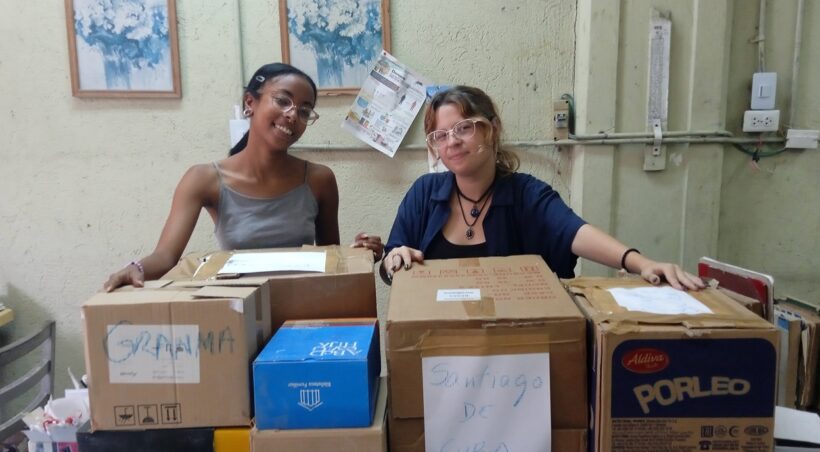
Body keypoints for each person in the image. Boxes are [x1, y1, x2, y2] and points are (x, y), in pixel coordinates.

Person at [381, 85, 704, 290]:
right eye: (441, 135)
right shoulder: (424, 193)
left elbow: (574, 231)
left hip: (515, 348)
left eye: (464, 128)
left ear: (492, 130)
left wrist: (642, 263)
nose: (452, 142)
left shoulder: (526, 194)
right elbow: (388, 264)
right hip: (434, 345)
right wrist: (393, 259)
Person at [105, 63, 383, 291]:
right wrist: (135, 269)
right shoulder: (204, 178)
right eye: (283, 100)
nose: (292, 115)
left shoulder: (319, 179)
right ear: (250, 103)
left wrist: (356, 251)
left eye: (304, 110)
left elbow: (328, 259)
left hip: (300, 310)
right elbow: (166, 256)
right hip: (238, 312)